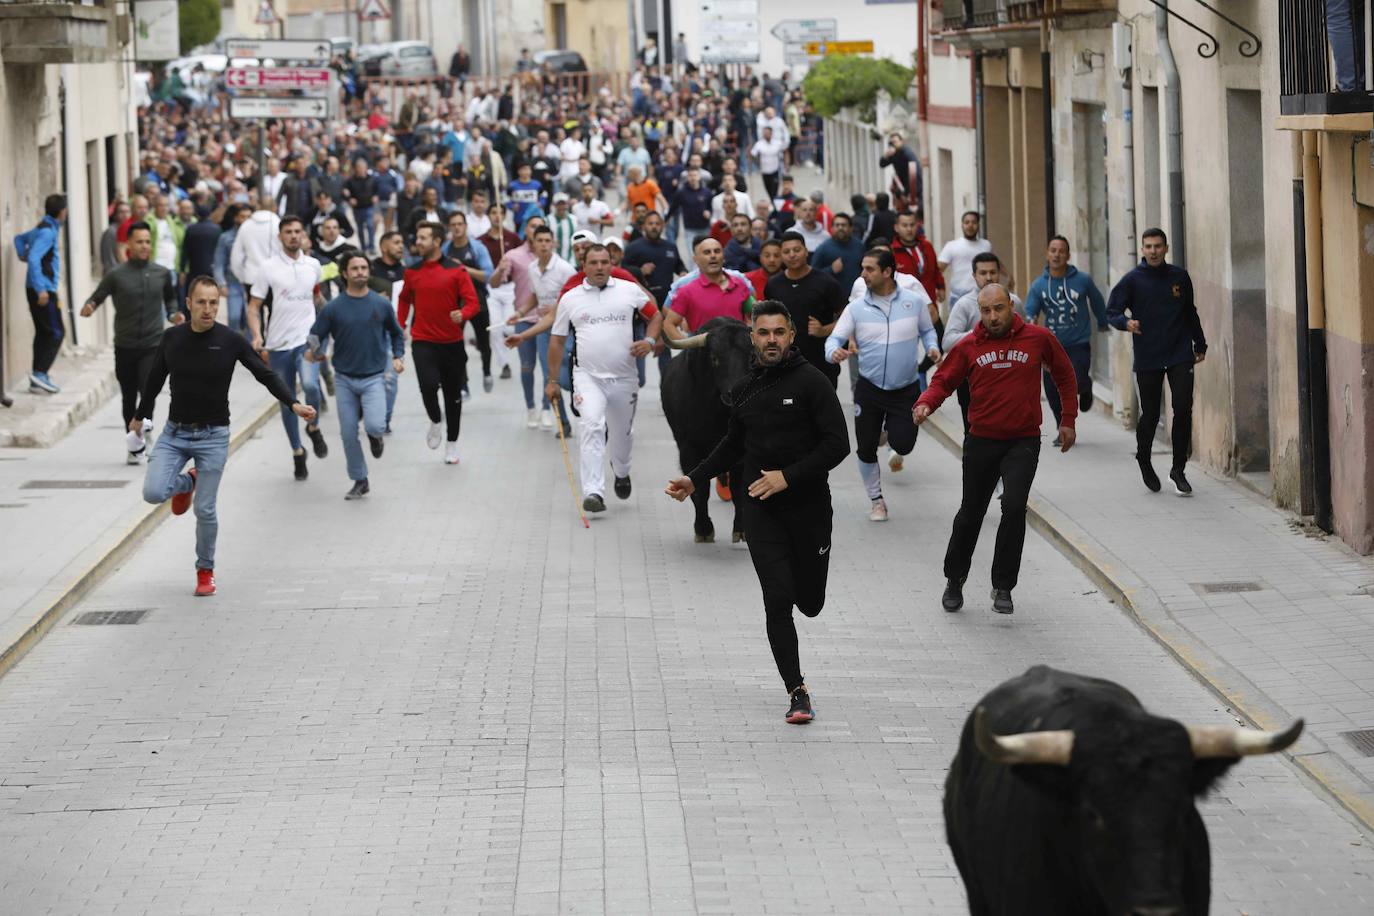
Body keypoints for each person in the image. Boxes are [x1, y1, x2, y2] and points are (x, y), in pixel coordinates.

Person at [665, 300, 850, 725]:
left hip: (809, 510)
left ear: (791, 336)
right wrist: (694, 479)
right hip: (760, 509)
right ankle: (796, 690)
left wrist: (789, 475)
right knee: (777, 600)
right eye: (763, 333)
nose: (771, 340)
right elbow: (733, 444)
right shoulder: (745, 387)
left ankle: (807, 602)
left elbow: (837, 444)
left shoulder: (813, 383)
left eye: (778, 333)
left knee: (810, 602)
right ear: (752, 339)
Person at [136, 275, 315, 597]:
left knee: (205, 510)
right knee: (152, 492)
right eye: (201, 302)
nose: (208, 309)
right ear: (188, 304)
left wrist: (293, 403)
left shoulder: (230, 339)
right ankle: (188, 481)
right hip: (175, 433)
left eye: (214, 303)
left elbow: (265, 374)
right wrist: (139, 416)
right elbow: (153, 380)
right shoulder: (172, 338)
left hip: (213, 436)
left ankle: (205, 570)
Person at [914, 284, 1077, 615]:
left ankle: (1003, 586)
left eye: (998, 309)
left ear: (1011, 306)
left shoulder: (1038, 338)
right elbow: (943, 381)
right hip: (981, 441)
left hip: (1023, 441)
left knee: (1014, 507)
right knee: (970, 514)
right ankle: (954, 579)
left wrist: (1068, 419)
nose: (992, 317)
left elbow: (1065, 375)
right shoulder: (968, 346)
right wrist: (925, 404)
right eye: (986, 310)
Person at [532, 245, 661, 512]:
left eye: (605, 262)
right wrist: (553, 381)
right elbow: (556, 342)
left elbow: (655, 315)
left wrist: (649, 340)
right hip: (587, 377)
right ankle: (593, 492)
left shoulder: (629, 291)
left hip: (625, 377)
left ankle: (622, 471)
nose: (600, 267)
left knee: (622, 435)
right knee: (590, 426)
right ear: (584, 266)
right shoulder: (570, 298)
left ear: (611, 264)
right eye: (594, 262)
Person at [826, 248, 940, 521]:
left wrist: (933, 348)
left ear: (887, 272)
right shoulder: (856, 308)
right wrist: (834, 353)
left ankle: (889, 430)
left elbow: (927, 330)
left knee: (904, 444)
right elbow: (832, 340)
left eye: (869, 269)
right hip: (869, 389)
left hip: (906, 389)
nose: (862, 274)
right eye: (862, 268)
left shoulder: (913, 301)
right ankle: (877, 501)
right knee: (865, 447)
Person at [1107, 228, 1207, 496]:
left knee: (1183, 408)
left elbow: (1190, 312)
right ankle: (1143, 457)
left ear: (1166, 248)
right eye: (1148, 246)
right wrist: (1125, 322)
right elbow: (1112, 311)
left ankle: (1178, 469)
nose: (1153, 251)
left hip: (1179, 353)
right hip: (1149, 355)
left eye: (1158, 246)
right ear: (1142, 249)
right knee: (1151, 414)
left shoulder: (1179, 277)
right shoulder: (1132, 280)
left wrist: (1200, 342)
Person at [307, 253, 406, 500]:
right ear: (345, 274)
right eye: (355, 268)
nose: (360, 272)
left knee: (375, 424)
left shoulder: (380, 304)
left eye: (364, 268)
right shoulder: (333, 307)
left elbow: (396, 333)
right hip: (344, 379)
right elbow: (315, 333)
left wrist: (398, 355)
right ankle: (360, 479)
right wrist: (315, 352)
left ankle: (375, 437)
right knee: (348, 433)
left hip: (374, 377)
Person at [81, 222, 182, 462]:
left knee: (148, 391)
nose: (145, 246)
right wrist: (90, 307)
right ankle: (132, 441)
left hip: (152, 344)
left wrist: (173, 315)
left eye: (148, 241)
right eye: (140, 241)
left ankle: (144, 431)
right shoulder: (117, 274)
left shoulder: (161, 273)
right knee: (128, 395)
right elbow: (98, 296)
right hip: (125, 345)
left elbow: (170, 301)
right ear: (129, 245)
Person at [247, 216, 327, 481]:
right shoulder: (268, 268)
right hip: (278, 343)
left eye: (297, 231)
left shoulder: (313, 265)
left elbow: (317, 297)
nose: (293, 236)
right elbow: (254, 306)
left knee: (312, 386)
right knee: (287, 400)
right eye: (288, 232)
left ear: (303, 235)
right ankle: (297, 451)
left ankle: (313, 428)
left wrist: (328, 322)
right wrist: (257, 335)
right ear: (280, 237)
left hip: (307, 339)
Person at [398, 221, 481, 464]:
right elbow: (404, 300)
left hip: (452, 344)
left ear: (436, 241)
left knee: (453, 397)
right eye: (417, 238)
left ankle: (452, 445)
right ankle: (435, 420)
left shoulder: (457, 271)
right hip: (423, 340)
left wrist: (463, 314)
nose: (418, 242)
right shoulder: (412, 272)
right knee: (427, 386)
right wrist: (400, 324)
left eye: (423, 238)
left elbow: (472, 303)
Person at [1024, 235, 1107, 441]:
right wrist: (1030, 327)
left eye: (1061, 251)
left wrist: (1104, 321)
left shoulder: (1082, 280)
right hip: (1051, 346)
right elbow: (1031, 312)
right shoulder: (1039, 285)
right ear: (1047, 254)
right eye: (1053, 250)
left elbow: (1097, 301)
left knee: (1077, 379)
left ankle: (1086, 388)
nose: (1057, 255)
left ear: (1068, 255)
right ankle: (1063, 428)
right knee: (1052, 390)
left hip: (1078, 343)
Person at [504, 224, 574, 430]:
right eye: (540, 241)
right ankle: (562, 421)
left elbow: (574, 300)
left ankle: (577, 400)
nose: (543, 245)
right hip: (544, 329)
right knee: (548, 375)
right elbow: (535, 296)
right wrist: (520, 313)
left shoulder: (565, 269)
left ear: (554, 243)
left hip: (566, 329)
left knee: (565, 376)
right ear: (532, 244)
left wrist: (555, 308)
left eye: (547, 241)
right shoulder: (533, 268)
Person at [943, 252, 1020, 433]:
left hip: (1007, 380)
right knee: (974, 436)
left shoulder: (1014, 302)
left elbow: (1023, 334)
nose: (988, 277)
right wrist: (976, 334)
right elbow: (947, 342)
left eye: (993, 272)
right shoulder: (964, 305)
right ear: (974, 276)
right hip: (971, 383)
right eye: (983, 273)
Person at [765, 231, 844, 388]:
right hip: (784, 364)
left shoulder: (827, 283)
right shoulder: (773, 284)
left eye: (797, 250)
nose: (792, 255)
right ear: (781, 255)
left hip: (820, 364)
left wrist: (824, 330)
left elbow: (847, 318)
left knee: (822, 410)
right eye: (786, 252)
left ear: (806, 251)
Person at [442, 210, 496, 396]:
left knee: (483, 341)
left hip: (477, 300)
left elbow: (488, 275)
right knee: (456, 344)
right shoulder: (445, 250)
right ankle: (463, 384)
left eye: (460, 224)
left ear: (465, 226)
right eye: (453, 224)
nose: (457, 228)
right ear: (449, 228)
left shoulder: (477, 248)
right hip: (455, 303)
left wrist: (463, 269)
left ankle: (487, 372)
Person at [19, 194, 67, 393]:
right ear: (61, 211)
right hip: (43, 290)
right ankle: (39, 373)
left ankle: (39, 376)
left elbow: (19, 240)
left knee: (44, 332)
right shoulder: (47, 232)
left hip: (40, 287)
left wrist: (23, 253)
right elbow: (34, 260)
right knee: (56, 332)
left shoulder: (44, 227)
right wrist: (41, 289)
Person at [665, 236, 754, 337]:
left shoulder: (739, 284)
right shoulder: (686, 291)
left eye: (717, 251)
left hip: (738, 351)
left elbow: (754, 315)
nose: (713, 256)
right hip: (704, 352)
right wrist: (688, 347)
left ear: (723, 257)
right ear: (696, 260)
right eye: (707, 252)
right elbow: (669, 324)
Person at [369, 230, 409, 433]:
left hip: (393, 333)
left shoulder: (407, 272)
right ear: (384, 246)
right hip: (367, 333)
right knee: (369, 377)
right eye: (396, 242)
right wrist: (374, 298)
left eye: (402, 242)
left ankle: (384, 420)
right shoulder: (369, 269)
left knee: (390, 378)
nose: (401, 246)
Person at [938, 211, 992, 306]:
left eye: (974, 222)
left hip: (983, 295)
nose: (970, 225)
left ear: (979, 225)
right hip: (958, 297)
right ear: (962, 225)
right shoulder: (951, 246)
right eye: (967, 222)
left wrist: (1008, 275)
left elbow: (993, 263)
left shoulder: (986, 245)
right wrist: (939, 288)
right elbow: (938, 270)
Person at [892, 210, 944, 303]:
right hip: (905, 304)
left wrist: (941, 287)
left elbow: (936, 269)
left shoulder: (927, 246)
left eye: (912, 225)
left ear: (917, 225)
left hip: (929, 302)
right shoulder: (892, 252)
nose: (909, 229)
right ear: (896, 228)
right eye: (904, 225)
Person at [213, 204, 250, 335]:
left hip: (251, 282)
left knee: (250, 320)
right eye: (242, 217)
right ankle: (233, 348)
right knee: (233, 318)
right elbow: (218, 262)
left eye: (248, 217)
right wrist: (221, 283)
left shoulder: (255, 237)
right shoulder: (225, 237)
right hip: (233, 282)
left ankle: (250, 349)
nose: (245, 220)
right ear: (236, 218)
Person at [811, 213, 865, 293]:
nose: (840, 228)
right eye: (837, 225)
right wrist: (831, 269)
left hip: (856, 295)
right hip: (832, 296)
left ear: (851, 228)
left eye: (843, 225)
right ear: (832, 228)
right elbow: (813, 275)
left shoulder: (859, 246)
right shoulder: (823, 248)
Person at [343, 158, 379, 255]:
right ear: (356, 168)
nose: (362, 169)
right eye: (359, 167)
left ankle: (371, 246)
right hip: (357, 208)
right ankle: (363, 247)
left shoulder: (371, 178)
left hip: (369, 206)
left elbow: (377, 189)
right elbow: (344, 191)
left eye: (363, 167)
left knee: (370, 226)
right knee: (360, 228)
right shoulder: (350, 180)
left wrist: (376, 196)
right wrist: (349, 198)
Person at [880, 132, 921, 212]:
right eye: (891, 143)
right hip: (902, 185)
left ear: (901, 141)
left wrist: (910, 193)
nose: (893, 144)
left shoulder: (907, 153)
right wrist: (886, 156)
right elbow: (882, 164)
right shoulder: (894, 154)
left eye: (895, 142)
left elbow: (914, 172)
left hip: (912, 187)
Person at [750, 126, 786, 202]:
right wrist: (757, 163)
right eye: (765, 133)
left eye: (768, 133)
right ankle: (774, 204)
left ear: (771, 133)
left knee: (774, 190)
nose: (766, 134)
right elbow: (752, 154)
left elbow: (784, 153)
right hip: (765, 171)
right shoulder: (759, 144)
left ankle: (775, 205)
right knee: (768, 190)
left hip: (775, 170)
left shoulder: (777, 143)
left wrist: (785, 165)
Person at [101, 201, 131, 273]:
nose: (125, 215)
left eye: (127, 212)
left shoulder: (130, 230)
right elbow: (109, 259)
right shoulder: (111, 232)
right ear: (115, 215)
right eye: (121, 212)